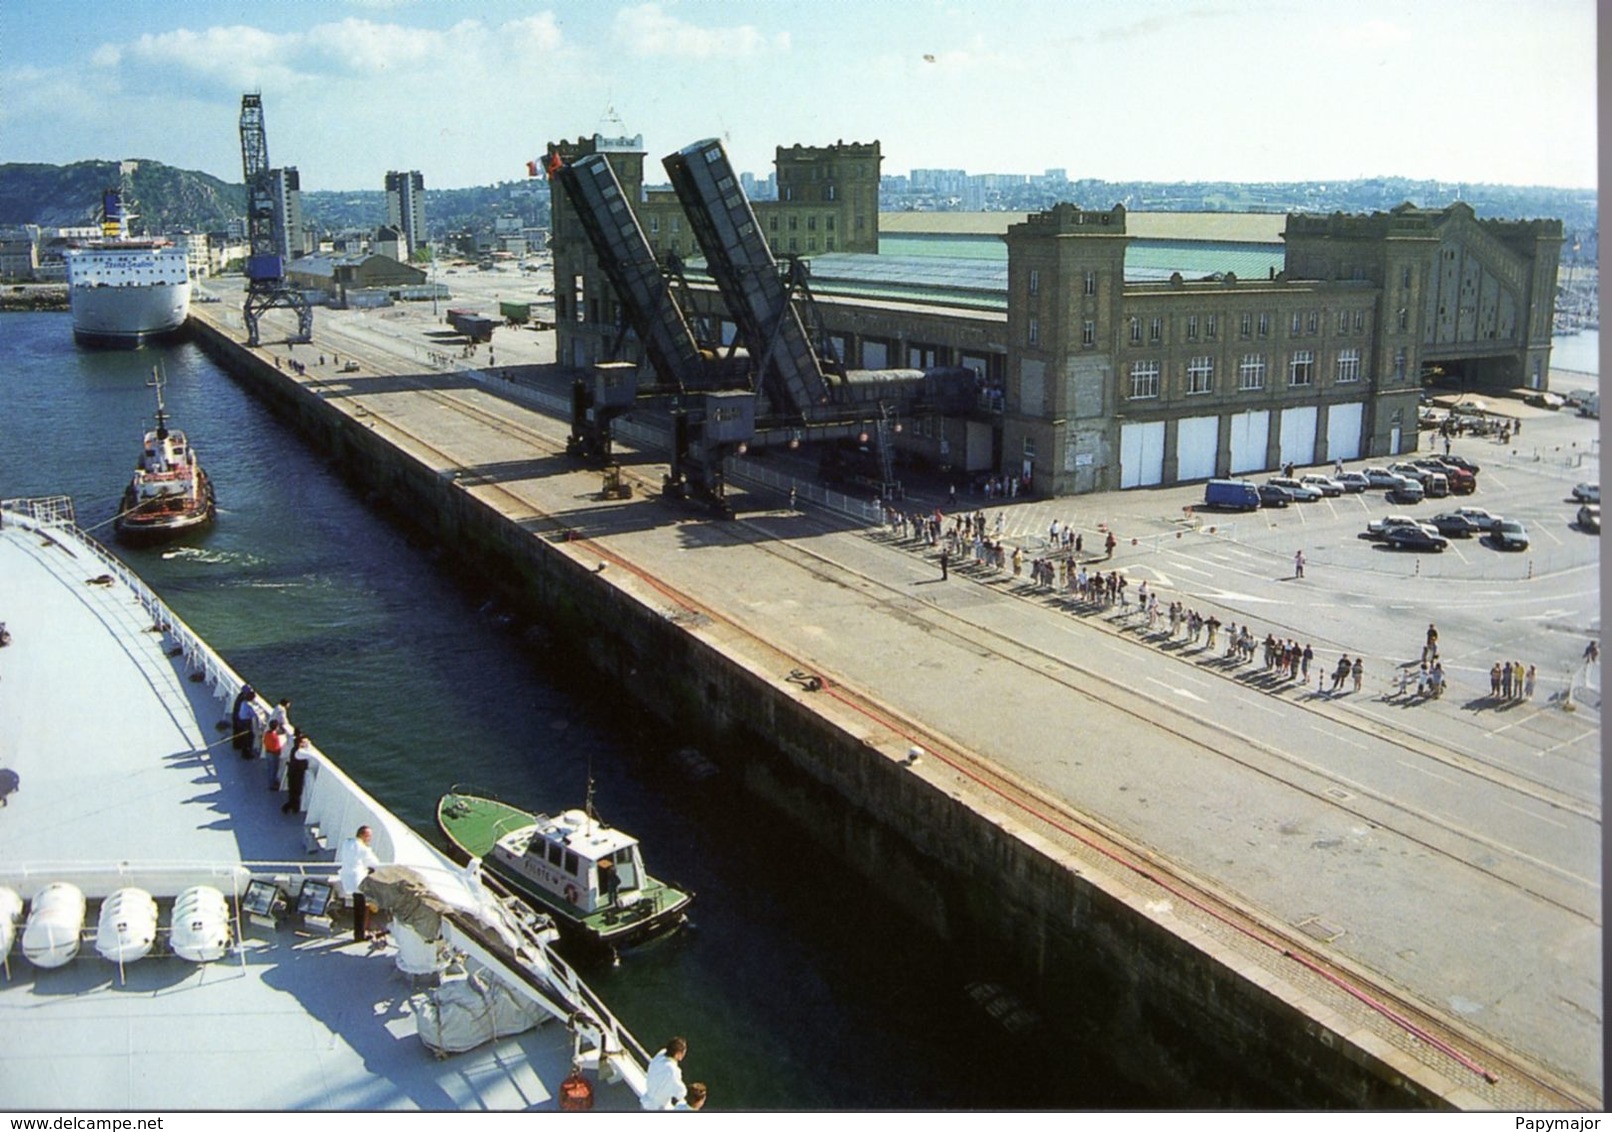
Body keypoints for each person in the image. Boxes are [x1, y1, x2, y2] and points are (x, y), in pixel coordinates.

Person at [338, 825, 382, 942]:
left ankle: (359, 934)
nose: (369, 839)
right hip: (358, 881)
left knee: (358, 907)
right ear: (362, 835)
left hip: (347, 879)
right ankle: (360, 935)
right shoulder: (363, 848)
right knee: (361, 909)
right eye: (368, 836)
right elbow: (375, 864)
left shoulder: (347, 843)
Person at [642, 1037, 689, 1110]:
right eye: (683, 1053)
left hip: (646, 1100)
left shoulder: (660, 1055)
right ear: (677, 1054)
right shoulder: (673, 1071)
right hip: (657, 1108)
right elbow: (681, 1092)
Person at [282, 734, 311, 814]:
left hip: (293, 773)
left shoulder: (295, 750)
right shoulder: (299, 752)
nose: (307, 743)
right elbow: (310, 755)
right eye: (305, 742)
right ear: (300, 743)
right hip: (296, 775)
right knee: (296, 791)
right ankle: (292, 807)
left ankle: (291, 807)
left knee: (293, 792)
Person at [231, 684, 259, 756]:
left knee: (237, 732)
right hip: (243, 721)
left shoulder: (240, 697)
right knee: (248, 737)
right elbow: (252, 713)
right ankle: (246, 754)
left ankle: (237, 745)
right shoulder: (245, 702)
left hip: (237, 718)